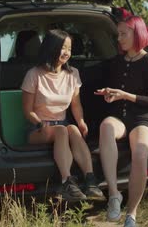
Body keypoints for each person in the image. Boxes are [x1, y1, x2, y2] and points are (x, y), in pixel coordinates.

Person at [94, 16, 148, 227]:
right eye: (118, 34)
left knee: (140, 153)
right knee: (106, 126)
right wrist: (110, 95)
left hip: (142, 118)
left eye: (124, 33)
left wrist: (126, 95)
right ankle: (114, 195)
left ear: (137, 34)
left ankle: (131, 214)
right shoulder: (117, 61)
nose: (119, 38)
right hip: (120, 117)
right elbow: (115, 92)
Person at [21, 29, 104, 202]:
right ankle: (67, 182)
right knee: (61, 130)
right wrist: (39, 124)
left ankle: (90, 180)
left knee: (72, 128)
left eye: (69, 48)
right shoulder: (34, 74)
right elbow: (27, 111)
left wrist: (81, 122)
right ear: (51, 48)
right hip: (38, 128)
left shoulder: (72, 73)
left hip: (62, 126)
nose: (66, 52)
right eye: (63, 48)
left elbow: (76, 104)